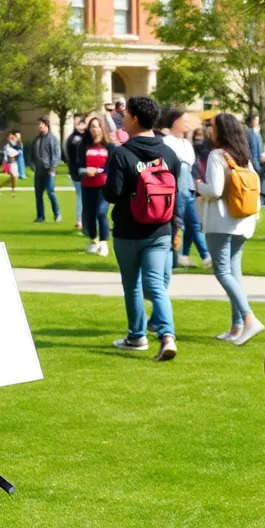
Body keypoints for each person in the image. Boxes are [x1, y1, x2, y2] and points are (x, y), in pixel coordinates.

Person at [103, 96, 181, 362]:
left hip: (128, 229)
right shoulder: (169, 153)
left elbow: (112, 193)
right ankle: (167, 336)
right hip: (160, 230)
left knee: (132, 285)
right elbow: (175, 192)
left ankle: (137, 336)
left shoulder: (122, 153)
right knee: (157, 285)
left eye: (125, 115)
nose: (122, 118)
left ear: (135, 119)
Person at [197, 113, 264, 346]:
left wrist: (199, 187)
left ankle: (248, 318)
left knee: (222, 272)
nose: (209, 130)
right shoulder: (243, 156)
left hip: (221, 221)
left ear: (221, 131)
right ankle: (237, 326)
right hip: (243, 221)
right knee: (234, 273)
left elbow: (214, 190)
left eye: (212, 126)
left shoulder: (217, 155)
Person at [160, 106, 209, 269]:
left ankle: (185, 256)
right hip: (176, 185)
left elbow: (192, 164)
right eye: (185, 121)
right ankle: (179, 256)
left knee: (193, 223)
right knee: (179, 222)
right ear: (175, 122)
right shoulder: (167, 142)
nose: (188, 124)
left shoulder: (187, 143)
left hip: (188, 186)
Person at [78, 116, 113, 256]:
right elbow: (78, 165)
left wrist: (100, 172)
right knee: (90, 215)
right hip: (87, 185)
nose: (95, 129)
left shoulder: (109, 146)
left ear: (102, 128)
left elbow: (111, 167)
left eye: (97, 126)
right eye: (92, 126)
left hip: (103, 185)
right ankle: (93, 241)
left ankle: (104, 243)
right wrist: (85, 171)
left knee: (101, 212)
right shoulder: (84, 145)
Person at [31, 116, 62, 223]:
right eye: (38, 125)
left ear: (46, 125)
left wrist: (52, 168)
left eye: (41, 124)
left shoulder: (53, 139)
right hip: (38, 171)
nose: (39, 127)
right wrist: (32, 165)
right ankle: (40, 216)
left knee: (50, 192)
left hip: (49, 171)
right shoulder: (36, 140)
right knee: (38, 195)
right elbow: (32, 156)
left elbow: (57, 155)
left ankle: (57, 214)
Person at [66, 115, 87, 231]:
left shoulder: (76, 138)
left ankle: (81, 219)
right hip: (78, 172)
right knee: (81, 196)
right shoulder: (76, 139)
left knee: (81, 196)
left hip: (77, 171)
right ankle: (80, 220)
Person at [0, 131, 22, 197]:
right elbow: (12, 153)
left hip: (14, 163)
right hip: (10, 163)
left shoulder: (15, 144)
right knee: (14, 177)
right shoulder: (8, 145)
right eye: (11, 136)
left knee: (13, 178)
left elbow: (18, 148)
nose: (13, 137)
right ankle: (12, 192)